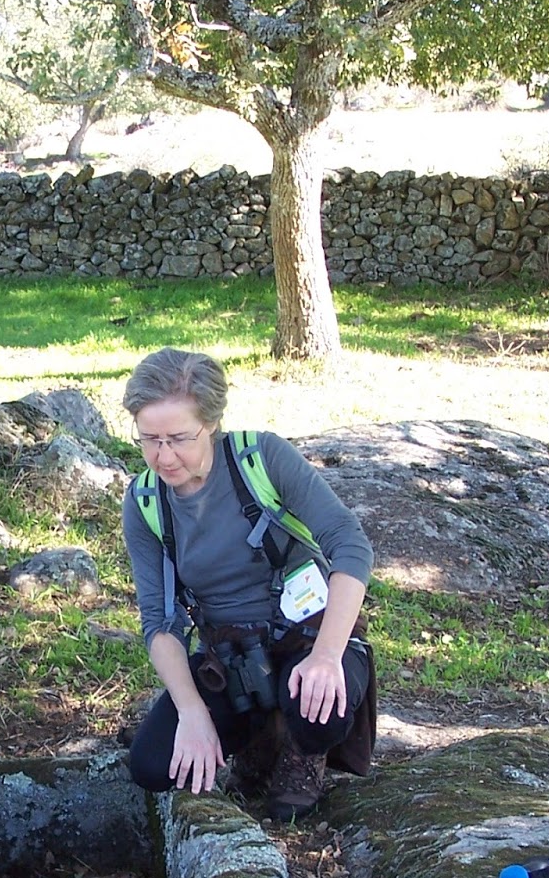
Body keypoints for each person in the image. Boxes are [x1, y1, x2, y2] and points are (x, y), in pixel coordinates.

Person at [121, 347, 375, 822]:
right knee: (152, 765)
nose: (163, 455)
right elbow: (159, 623)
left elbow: (351, 546)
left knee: (318, 711)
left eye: (179, 438)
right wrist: (193, 712)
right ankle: (258, 733)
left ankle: (302, 751)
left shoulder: (261, 459)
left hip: (309, 635)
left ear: (211, 424)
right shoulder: (145, 502)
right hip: (233, 655)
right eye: (149, 439)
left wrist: (326, 655)